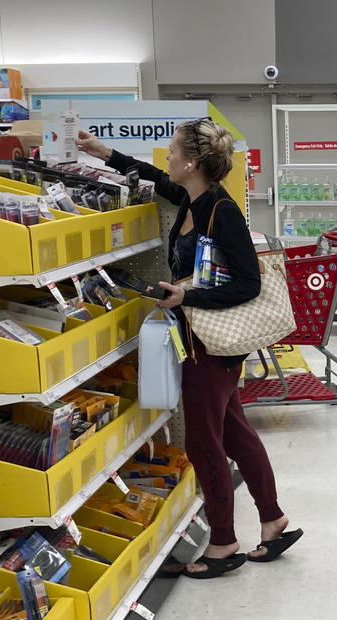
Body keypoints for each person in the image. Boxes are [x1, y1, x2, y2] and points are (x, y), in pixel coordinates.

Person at [75, 119, 302, 579]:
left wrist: (187, 297)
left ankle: (222, 543)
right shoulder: (191, 199)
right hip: (201, 339)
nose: (168, 159)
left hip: (212, 345)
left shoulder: (222, 210)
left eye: (174, 152)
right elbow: (156, 177)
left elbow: (248, 283)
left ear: (192, 163)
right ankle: (273, 520)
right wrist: (106, 155)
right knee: (234, 431)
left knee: (204, 444)